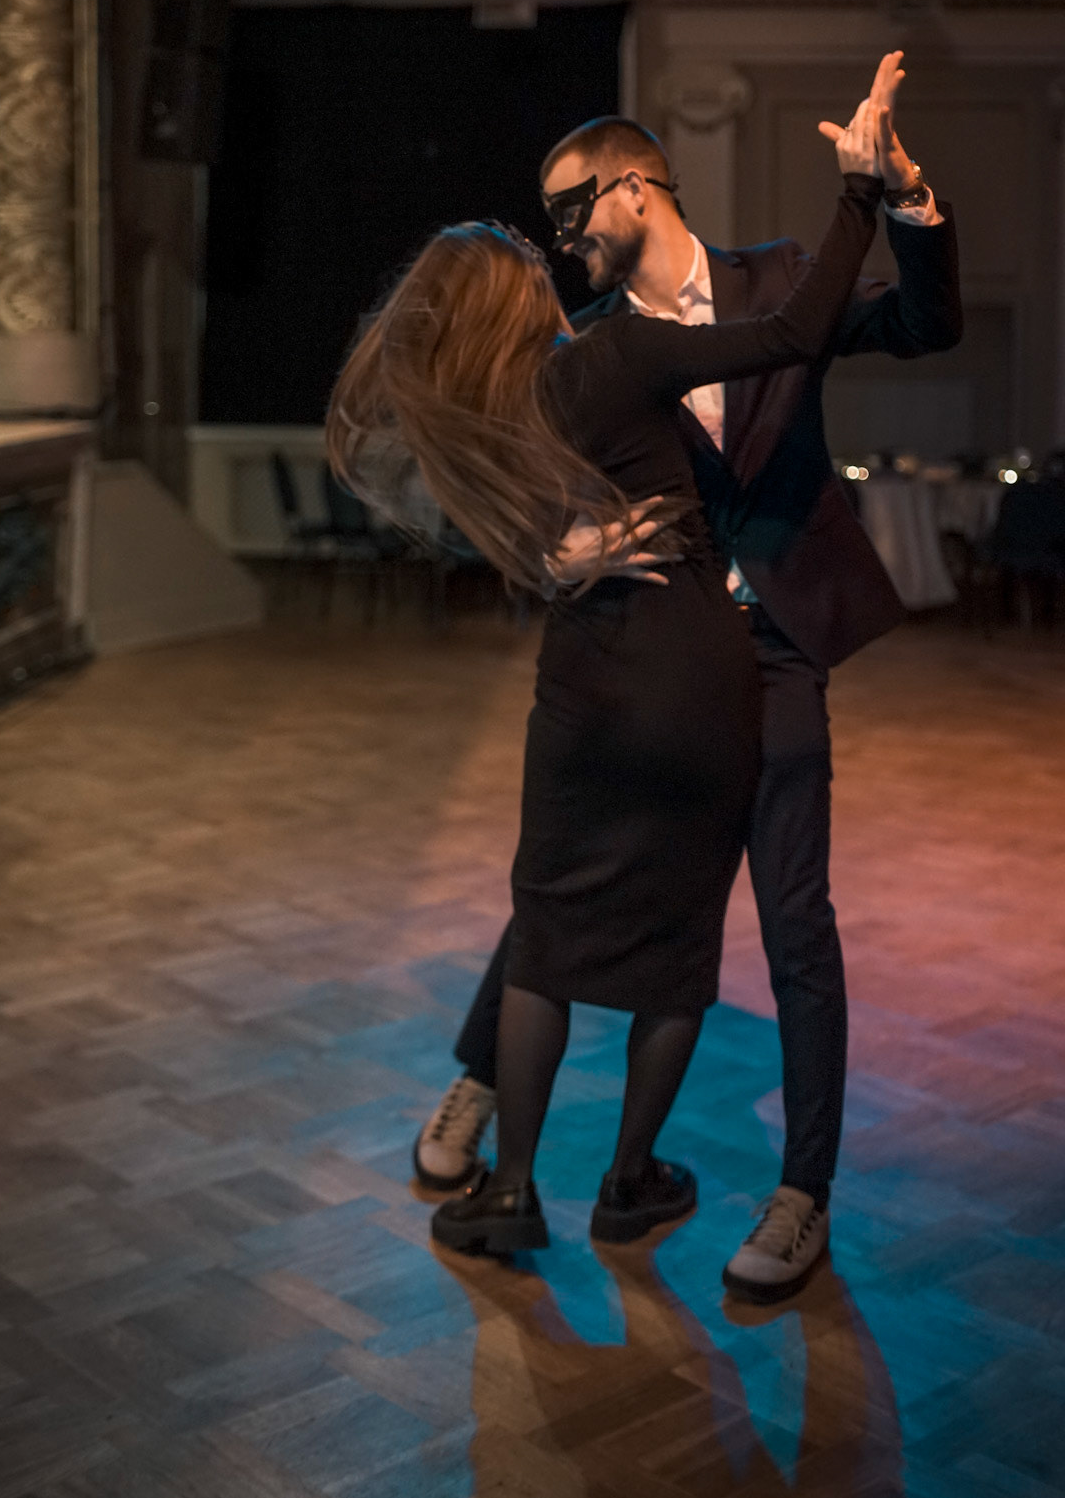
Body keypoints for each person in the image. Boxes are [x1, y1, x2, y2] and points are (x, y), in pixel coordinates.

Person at [413, 52, 962, 1293]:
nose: (564, 239)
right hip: (645, 654)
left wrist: (904, 196)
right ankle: (485, 1080)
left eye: (573, 210)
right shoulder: (592, 346)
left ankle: (802, 1190)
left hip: (775, 647)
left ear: (636, 188)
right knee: (567, 875)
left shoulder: (780, 283)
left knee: (793, 918)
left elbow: (927, 324)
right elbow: (492, 483)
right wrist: (550, 554)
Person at [329, 121, 887, 1256]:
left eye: (568, 215)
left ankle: (510, 1188)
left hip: (588, 681)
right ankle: (629, 1180)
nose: (559, 247)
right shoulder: (619, 350)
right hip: (703, 674)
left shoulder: (516, 402)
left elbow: (445, 491)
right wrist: (860, 197)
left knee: (547, 925)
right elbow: (793, 334)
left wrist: (548, 558)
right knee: (679, 945)